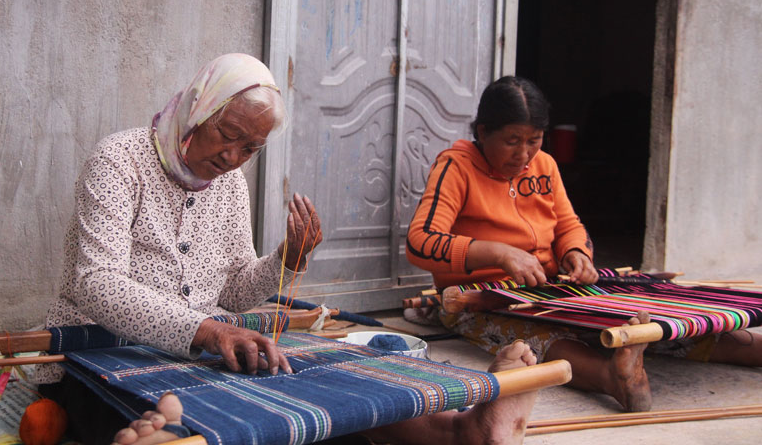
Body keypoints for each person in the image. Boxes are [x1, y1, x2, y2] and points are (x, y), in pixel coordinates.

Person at [39, 54, 543, 445]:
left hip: (198, 354)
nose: (233, 158)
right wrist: (206, 330)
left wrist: (287, 259)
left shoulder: (229, 181)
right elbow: (95, 282)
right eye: (228, 136)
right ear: (199, 106)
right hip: (102, 348)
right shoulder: (120, 160)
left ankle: (461, 430)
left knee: (305, 394)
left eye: (250, 149)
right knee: (148, 407)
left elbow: (234, 290)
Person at [405, 75, 762, 413]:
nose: (524, 154)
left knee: (648, 321)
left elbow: (568, 224)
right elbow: (421, 242)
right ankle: (612, 376)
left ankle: (748, 349)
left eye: (534, 140)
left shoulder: (544, 165)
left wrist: (576, 253)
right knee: (536, 339)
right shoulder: (457, 166)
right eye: (512, 141)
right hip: (479, 296)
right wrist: (497, 252)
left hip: (549, 288)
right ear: (483, 132)